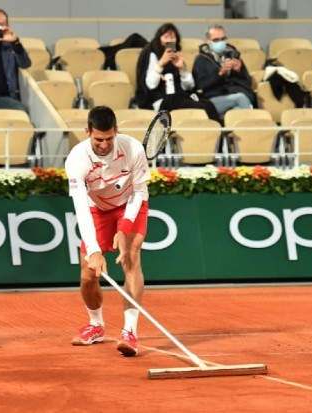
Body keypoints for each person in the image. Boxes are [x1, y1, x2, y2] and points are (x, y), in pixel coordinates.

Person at [65, 106, 150, 357]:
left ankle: (130, 332)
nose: (104, 144)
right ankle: (96, 325)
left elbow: (140, 192)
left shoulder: (133, 148)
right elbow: (80, 207)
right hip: (96, 208)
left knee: (131, 256)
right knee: (88, 275)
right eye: (98, 139)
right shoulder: (76, 159)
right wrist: (94, 251)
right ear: (87, 132)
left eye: (109, 138)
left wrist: (124, 227)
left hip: (130, 204)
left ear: (117, 131)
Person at [135, 22, 220, 122]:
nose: (169, 40)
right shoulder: (153, 54)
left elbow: (189, 86)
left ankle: (218, 133)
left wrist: (181, 69)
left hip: (180, 95)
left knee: (207, 104)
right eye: (166, 37)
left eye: (173, 37)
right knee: (200, 108)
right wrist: (161, 64)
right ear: (159, 39)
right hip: (162, 99)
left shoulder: (177, 55)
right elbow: (150, 85)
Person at [192, 24, 255, 117]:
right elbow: (200, 86)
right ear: (208, 41)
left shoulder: (233, 55)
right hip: (212, 99)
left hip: (234, 94)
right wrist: (220, 73)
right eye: (216, 40)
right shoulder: (201, 59)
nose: (220, 42)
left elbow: (247, 82)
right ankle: (253, 128)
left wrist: (239, 71)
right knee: (240, 98)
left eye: (223, 39)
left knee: (237, 111)